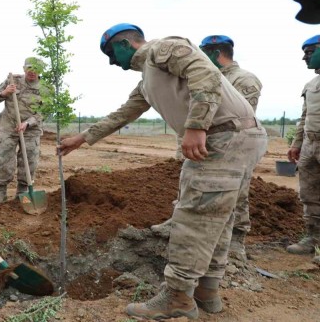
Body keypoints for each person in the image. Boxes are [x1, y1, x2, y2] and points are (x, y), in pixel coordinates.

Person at [58, 23, 267, 320]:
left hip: (222, 137)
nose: (112, 63)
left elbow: (205, 73)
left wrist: (196, 126)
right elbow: (124, 113)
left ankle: (178, 297)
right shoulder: (148, 79)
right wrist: (83, 138)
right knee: (219, 215)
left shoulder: (162, 49)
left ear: (124, 44)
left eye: (110, 54)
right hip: (238, 138)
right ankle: (207, 291)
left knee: (193, 215)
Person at [151, 35, 263, 263]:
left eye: (203, 52)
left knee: (236, 193)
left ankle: (235, 243)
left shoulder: (245, 79)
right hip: (201, 143)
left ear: (215, 53)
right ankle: (185, 230)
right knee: (192, 186)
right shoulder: (200, 75)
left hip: (230, 146)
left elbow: (239, 118)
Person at [0, 57, 44, 205]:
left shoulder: (46, 87)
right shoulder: (13, 80)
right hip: (8, 126)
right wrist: (5, 93)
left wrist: (28, 123)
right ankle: (1, 191)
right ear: (24, 68)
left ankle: (22, 191)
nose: (32, 72)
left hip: (31, 130)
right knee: (4, 158)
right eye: (29, 68)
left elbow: (43, 112)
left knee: (30, 160)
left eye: (36, 69)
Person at [286, 35, 320, 265]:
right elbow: (305, 116)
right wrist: (297, 143)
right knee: (309, 193)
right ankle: (314, 238)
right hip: (311, 143)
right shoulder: (311, 86)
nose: (304, 57)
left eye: (309, 52)